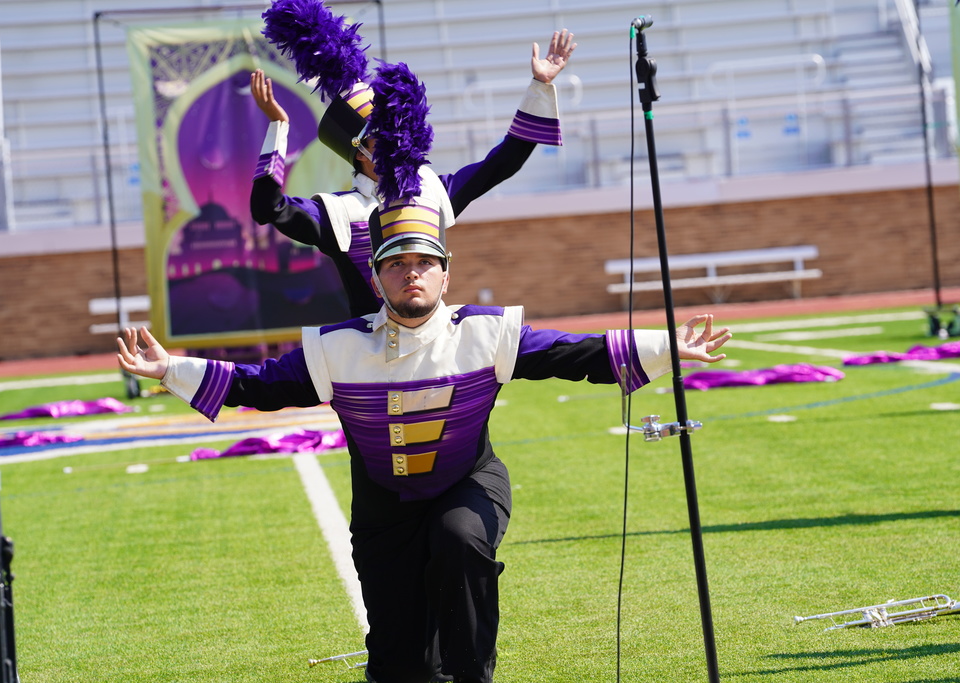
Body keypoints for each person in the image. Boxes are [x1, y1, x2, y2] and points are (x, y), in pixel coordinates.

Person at [116, 198, 732, 682]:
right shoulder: (338, 346)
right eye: (396, 264)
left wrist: (666, 347)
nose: (411, 275)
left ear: (444, 273)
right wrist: (171, 369)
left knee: (458, 538)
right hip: (384, 508)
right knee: (402, 667)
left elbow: (576, 354)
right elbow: (263, 384)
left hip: (470, 483)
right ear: (378, 275)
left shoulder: (485, 333)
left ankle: (474, 675)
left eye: (424, 264)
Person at [250, 26, 577, 316]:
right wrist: (278, 127)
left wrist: (539, 84)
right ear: (360, 151)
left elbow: (504, 162)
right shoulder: (336, 213)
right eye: (384, 137)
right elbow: (267, 207)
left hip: (433, 346)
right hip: (369, 357)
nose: (397, 141)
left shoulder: (431, 190)